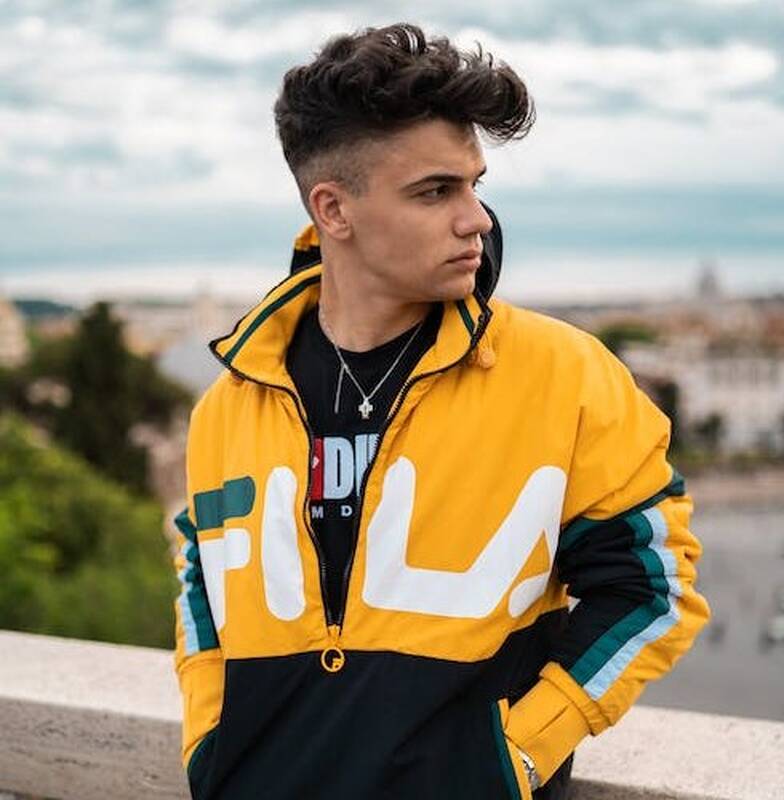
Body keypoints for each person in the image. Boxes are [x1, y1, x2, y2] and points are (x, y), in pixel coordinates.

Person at [173, 23, 710, 800]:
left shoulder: (565, 376)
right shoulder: (230, 404)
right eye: (435, 192)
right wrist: (210, 745)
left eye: (474, 185)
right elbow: (202, 583)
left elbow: (653, 588)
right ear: (334, 210)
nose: (476, 219)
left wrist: (515, 756)